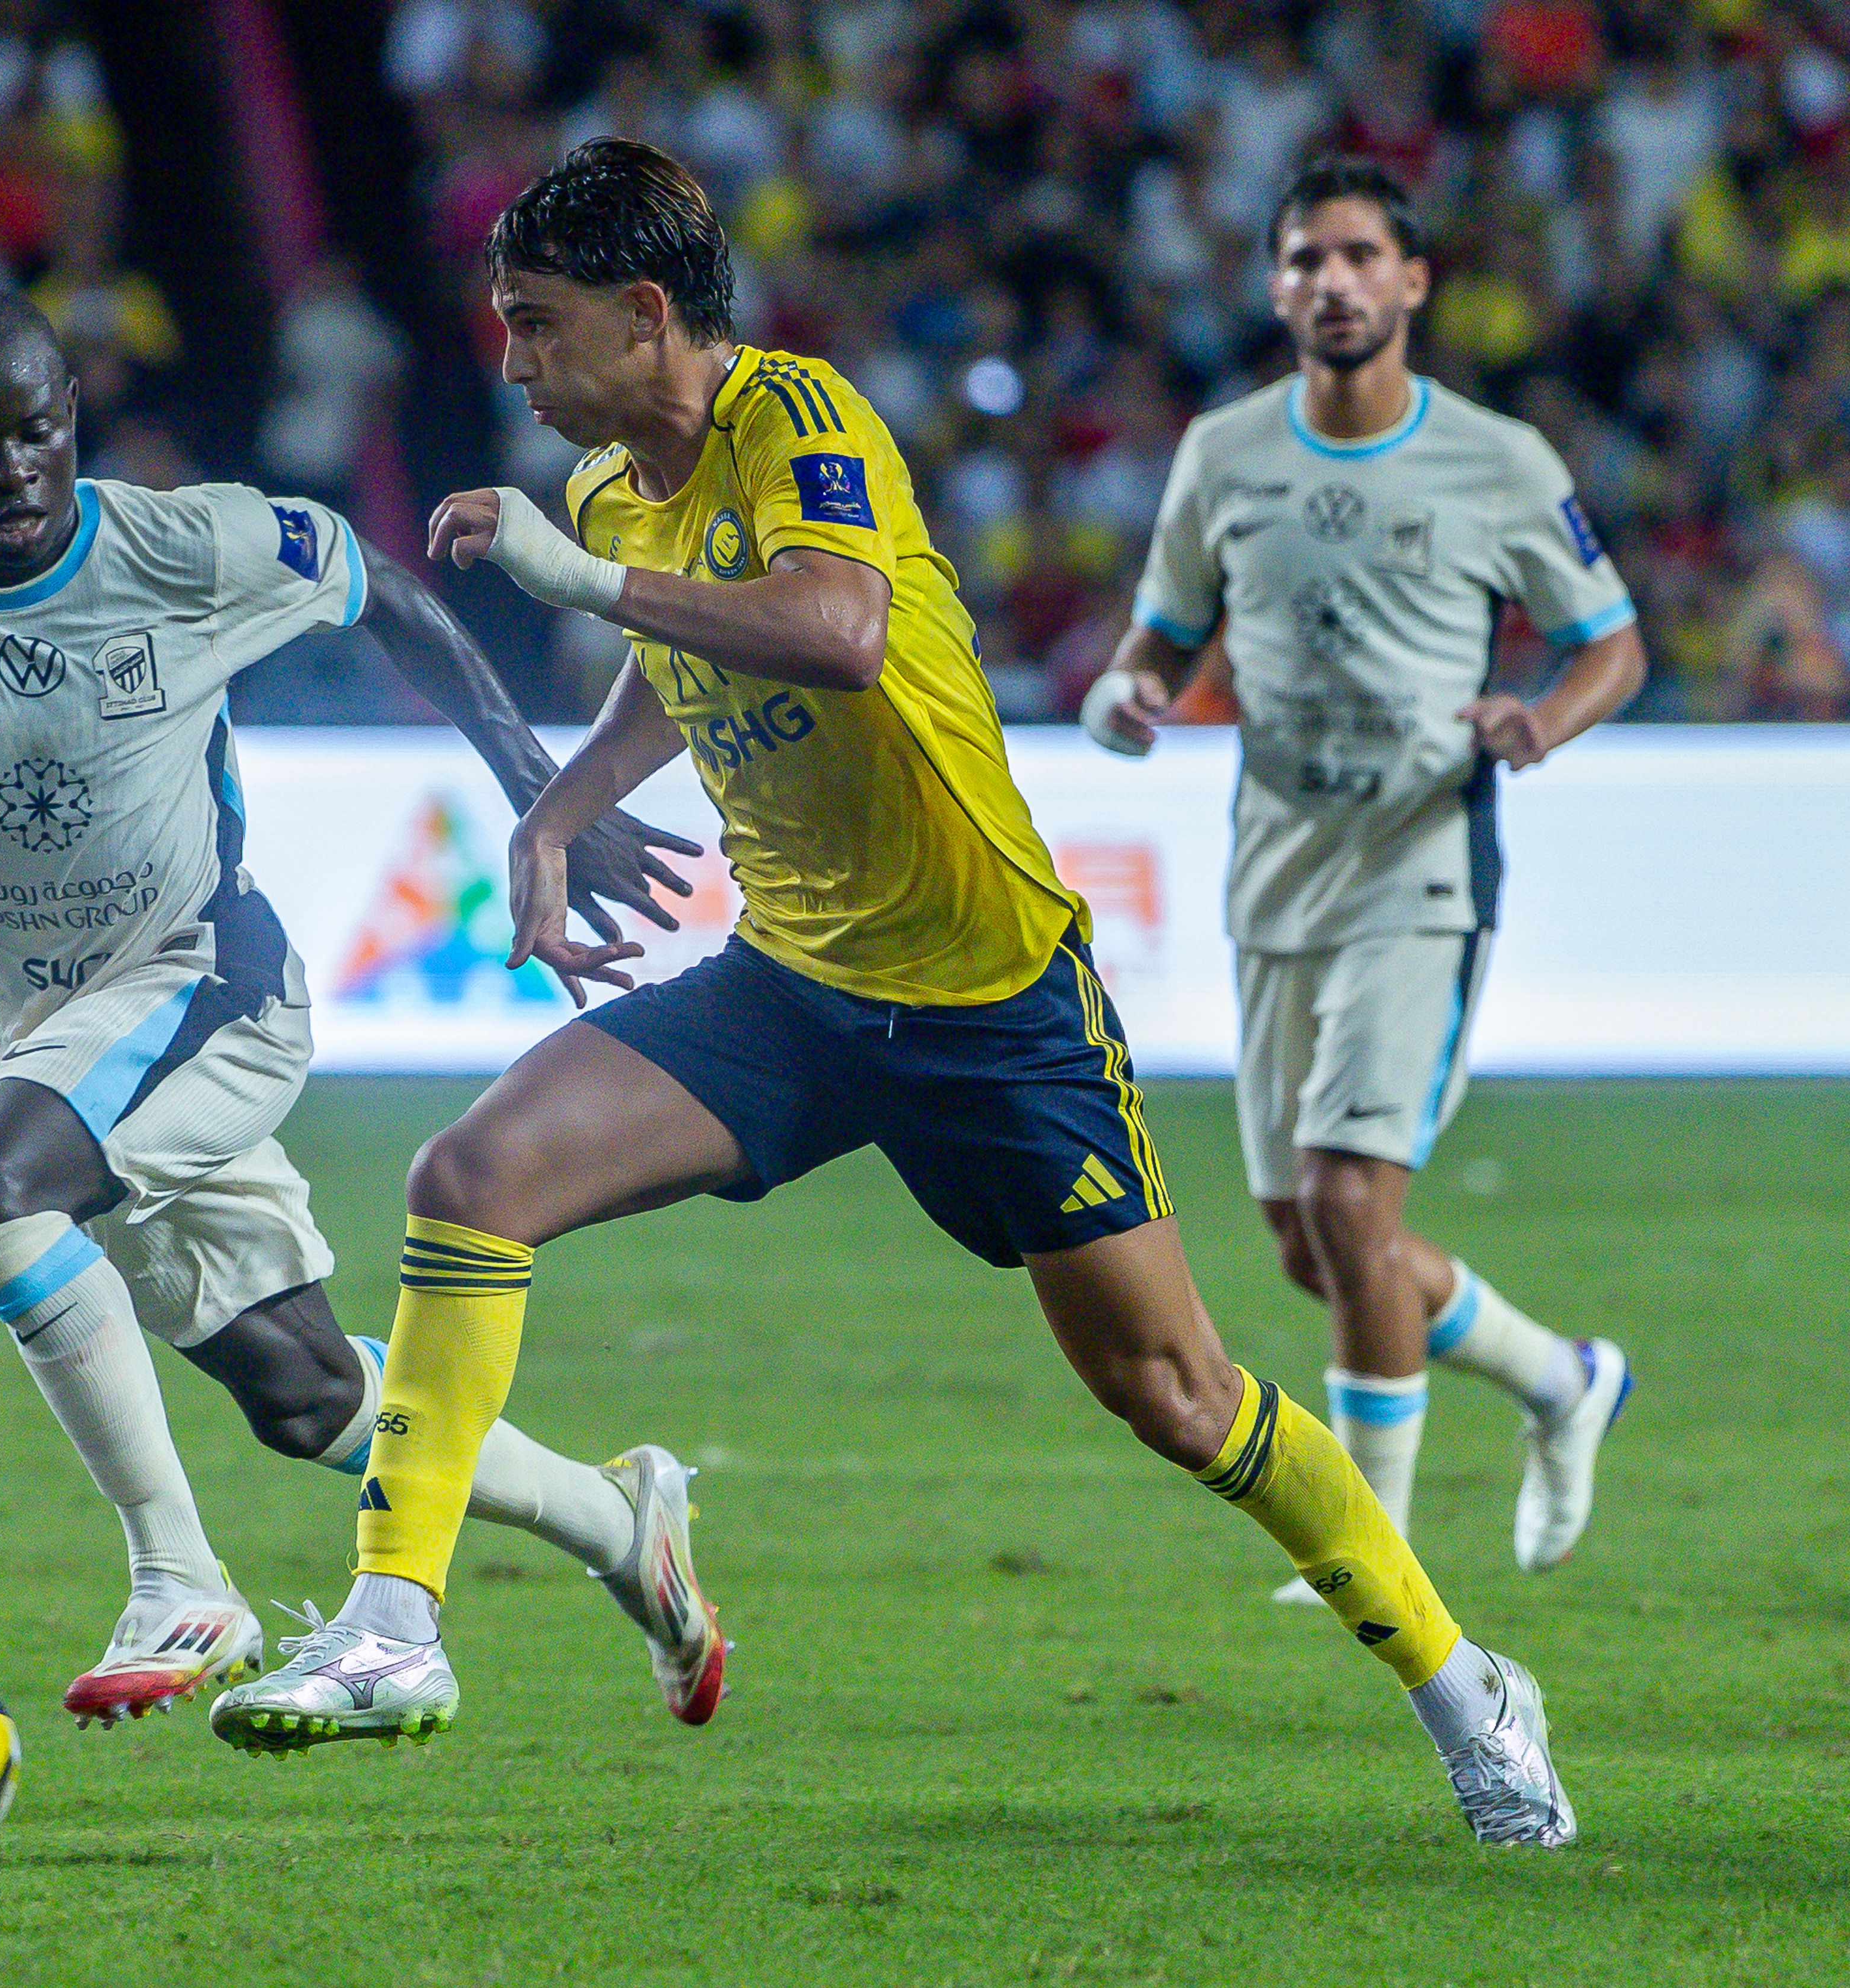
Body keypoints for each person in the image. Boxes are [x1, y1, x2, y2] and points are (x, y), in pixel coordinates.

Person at [212, 139, 1576, 1848]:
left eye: (538, 327)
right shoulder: (633, 495)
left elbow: (840, 627)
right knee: (467, 1179)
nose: (515, 364)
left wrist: (572, 580)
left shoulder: (800, 416)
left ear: (648, 318)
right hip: (791, 991)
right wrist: (567, 797)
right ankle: (396, 1622)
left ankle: (1467, 1683)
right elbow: (683, 652)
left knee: (1179, 1392)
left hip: (993, 999)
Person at [0, 288, 727, 1726]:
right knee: (305, 1395)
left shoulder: (187, 542)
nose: (9, 474)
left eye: (35, 433)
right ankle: (625, 1520)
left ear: (72, 421)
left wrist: (540, 792)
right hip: (56, 1040)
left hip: (203, 987)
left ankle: (178, 1578)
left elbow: (384, 590)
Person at [1080, 157, 1641, 1597]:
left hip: (1421, 863)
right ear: (1274, 287)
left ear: (1410, 283)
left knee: (1348, 1198)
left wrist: (1540, 720)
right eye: (1303, 260)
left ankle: (1366, 1546)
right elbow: (1162, 635)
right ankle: (1562, 1377)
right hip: (1275, 872)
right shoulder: (1222, 454)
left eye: (1356, 256)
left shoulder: (1497, 459)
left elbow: (1611, 643)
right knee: (1312, 1243)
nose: (1329, 281)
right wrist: (1120, 693)